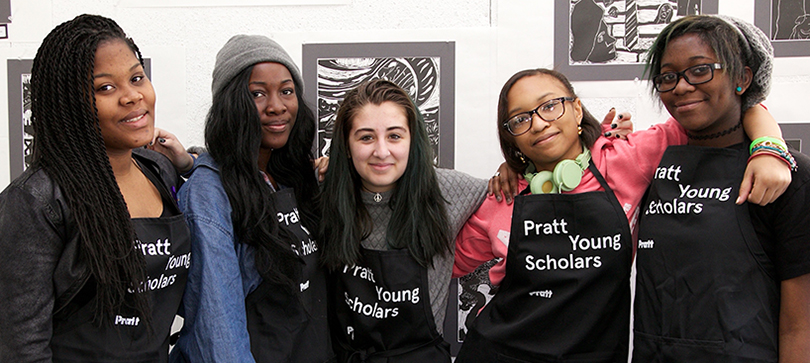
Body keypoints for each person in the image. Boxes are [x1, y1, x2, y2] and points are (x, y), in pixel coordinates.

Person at [453, 60, 790, 361]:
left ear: (577, 109)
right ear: (511, 138)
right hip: (498, 353)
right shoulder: (501, 198)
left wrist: (769, 148)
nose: (539, 124)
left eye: (550, 106)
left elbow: (726, 108)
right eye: (520, 119)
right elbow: (437, 265)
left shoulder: (626, 159)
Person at [0, 14, 190, 362]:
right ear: (69, 103)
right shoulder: (37, 200)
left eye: (136, 78)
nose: (132, 96)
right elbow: (21, 345)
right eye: (105, 88)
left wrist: (192, 163)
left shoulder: (160, 171)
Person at [633, 15, 810, 362]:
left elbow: (799, 326)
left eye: (700, 70)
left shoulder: (787, 175)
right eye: (668, 77)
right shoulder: (650, 166)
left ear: (743, 78)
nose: (681, 87)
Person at [169, 35, 332, 363]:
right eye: (257, 93)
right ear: (231, 104)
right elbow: (218, 330)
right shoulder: (207, 196)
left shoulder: (292, 176)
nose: (276, 105)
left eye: (286, 91)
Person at [318, 79, 489, 362]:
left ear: (413, 140)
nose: (381, 151)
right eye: (365, 137)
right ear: (346, 146)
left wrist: (511, 168)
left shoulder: (449, 191)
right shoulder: (323, 195)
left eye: (395, 136)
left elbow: (521, 199)